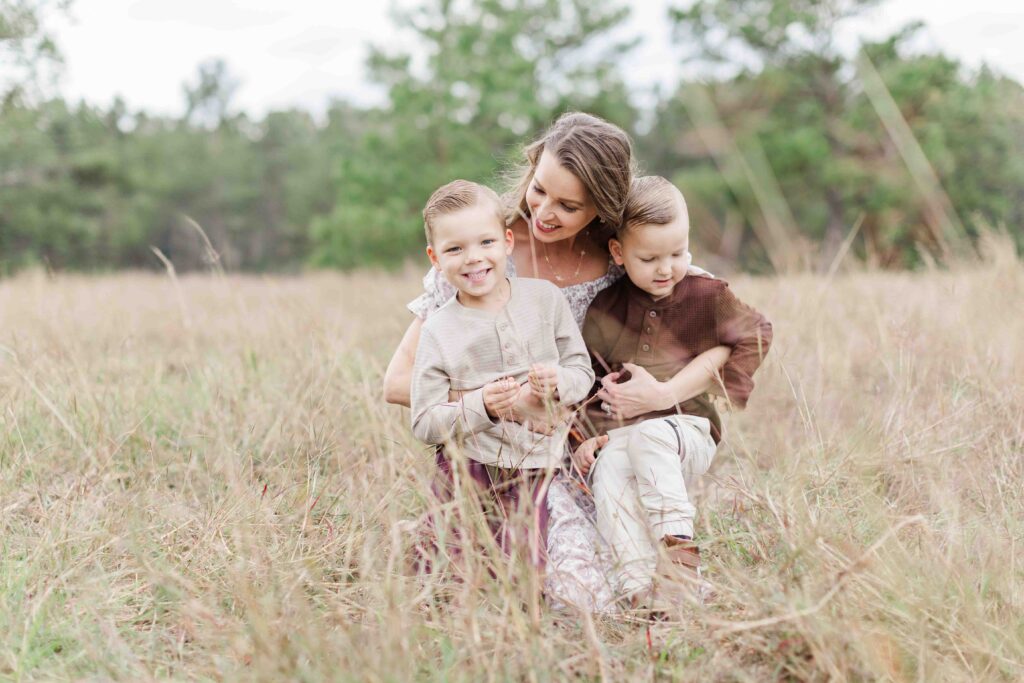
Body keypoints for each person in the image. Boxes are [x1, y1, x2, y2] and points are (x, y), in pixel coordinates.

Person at [384, 112, 717, 611]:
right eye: (540, 189)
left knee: (612, 589)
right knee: (573, 598)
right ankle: (461, 541)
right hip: (506, 453)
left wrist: (665, 393)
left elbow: (724, 328)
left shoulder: (624, 259)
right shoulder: (484, 250)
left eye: (569, 205)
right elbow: (397, 382)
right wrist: (500, 403)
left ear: (602, 209)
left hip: (593, 453)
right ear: (533, 165)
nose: (543, 211)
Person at [573, 176, 773, 606]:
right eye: (650, 258)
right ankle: (636, 587)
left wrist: (692, 391)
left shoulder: (705, 295)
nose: (667, 269)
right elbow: (591, 379)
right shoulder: (605, 308)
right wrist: (588, 434)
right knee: (609, 471)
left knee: (649, 436)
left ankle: (680, 559)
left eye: (678, 253)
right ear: (618, 253)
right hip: (621, 436)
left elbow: (757, 332)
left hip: (688, 431)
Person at [410, 179, 594, 566]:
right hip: (465, 463)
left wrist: (558, 382)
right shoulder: (438, 330)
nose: (473, 258)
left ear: (507, 241)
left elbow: (582, 370)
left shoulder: (545, 299)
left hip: (533, 468)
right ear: (435, 258)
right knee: (447, 566)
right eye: (455, 249)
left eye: (486, 243)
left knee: (523, 571)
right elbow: (424, 421)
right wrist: (482, 406)